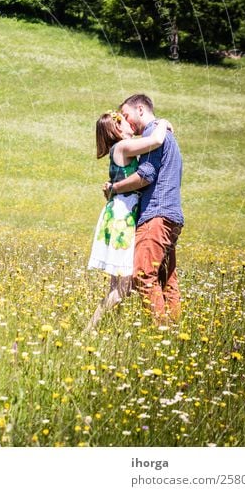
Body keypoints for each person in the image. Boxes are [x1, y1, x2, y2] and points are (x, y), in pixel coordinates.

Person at [86, 111, 173, 331]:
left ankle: (108, 328)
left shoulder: (119, 149)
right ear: (117, 128)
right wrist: (162, 122)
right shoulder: (123, 147)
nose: (130, 123)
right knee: (123, 285)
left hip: (118, 215)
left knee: (120, 283)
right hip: (122, 219)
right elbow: (156, 140)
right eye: (125, 121)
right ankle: (90, 329)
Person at [104, 94, 184, 325]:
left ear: (140, 109)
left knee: (143, 274)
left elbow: (145, 175)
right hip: (172, 215)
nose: (127, 122)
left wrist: (114, 188)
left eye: (126, 115)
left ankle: (162, 330)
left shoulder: (152, 134)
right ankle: (176, 329)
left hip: (156, 215)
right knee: (166, 277)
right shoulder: (165, 133)